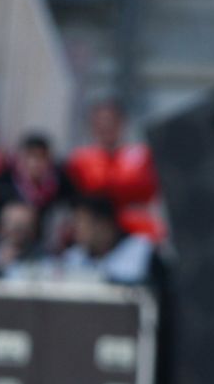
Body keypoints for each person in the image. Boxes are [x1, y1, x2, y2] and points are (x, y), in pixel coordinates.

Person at [67, 97, 161, 241]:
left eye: (111, 121)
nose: (105, 126)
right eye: (100, 122)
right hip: (96, 233)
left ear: (122, 123)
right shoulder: (79, 161)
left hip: (137, 232)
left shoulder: (142, 156)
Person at [59, 194, 159, 286]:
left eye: (83, 223)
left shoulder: (140, 250)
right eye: (75, 223)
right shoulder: (74, 257)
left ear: (105, 225)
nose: (77, 230)